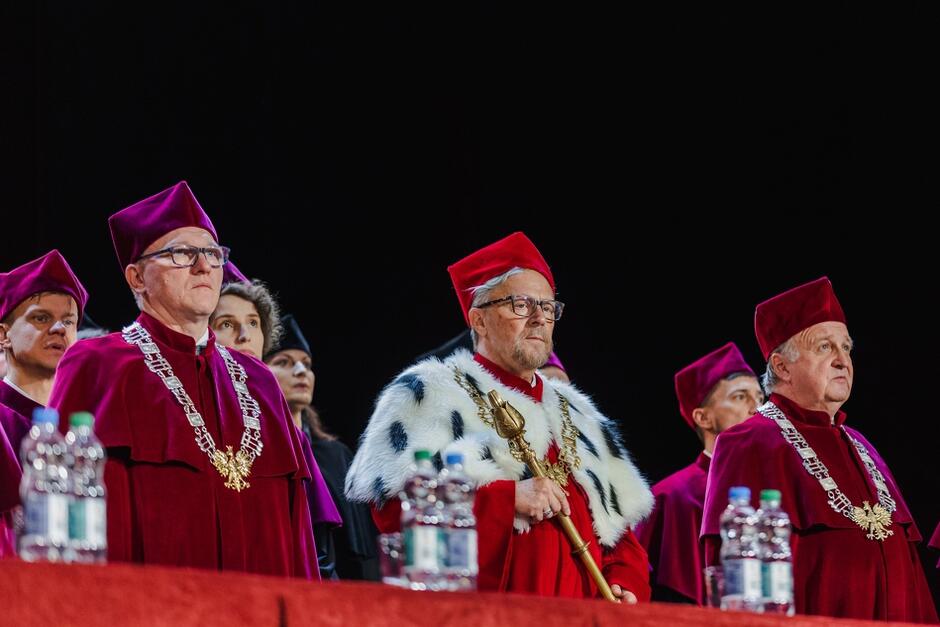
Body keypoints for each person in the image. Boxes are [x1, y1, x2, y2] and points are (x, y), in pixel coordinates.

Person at [346, 231, 653, 601]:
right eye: (521, 304)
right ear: (479, 320)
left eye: (548, 306)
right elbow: (397, 517)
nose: (540, 318)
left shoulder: (581, 414)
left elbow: (621, 532)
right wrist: (508, 500)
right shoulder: (429, 393)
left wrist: (625, 582)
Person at [48, 181, 316, 577]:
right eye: (180, 253)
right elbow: (63, 514)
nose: (203, 265)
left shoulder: (259, 380)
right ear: (137, 278)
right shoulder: (96, 365)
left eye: (211, 253)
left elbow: (297, 533)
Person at [701, 277, 938, 622]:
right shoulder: (745, 443)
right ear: (781, 366)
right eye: (825, 347)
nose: (843, 360)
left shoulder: (862, 445)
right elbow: (736, 580)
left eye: (846, 347)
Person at [209, 271, 341, 578]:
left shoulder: (288, 433)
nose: (245, 335)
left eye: (254, 323)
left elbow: (315, 547)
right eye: (227, 324)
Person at [634, 342, 762, 604]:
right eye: (740, 397)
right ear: (703, 418)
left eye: (761, 398)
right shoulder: (670, 497)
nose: (757, 409)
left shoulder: (774, 487)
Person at [266, 314, 380, 581]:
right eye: (283, 362)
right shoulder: (259, 452)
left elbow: (364, 550)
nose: (300, 371)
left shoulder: (335, 455)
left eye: (306, 364)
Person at [0, 250, 88, 449]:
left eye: (68, 321)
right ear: (3, 336)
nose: (59, 329)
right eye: (41, 318)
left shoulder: (86, 426)